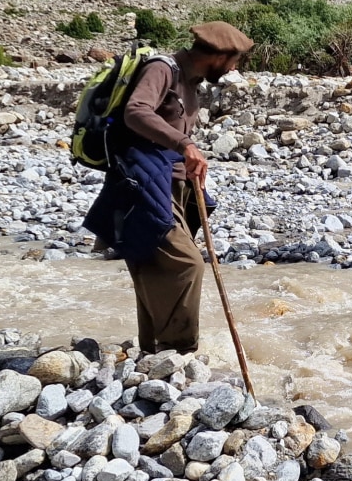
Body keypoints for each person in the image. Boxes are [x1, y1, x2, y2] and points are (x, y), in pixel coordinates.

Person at [86, 20, 253, 355]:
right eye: (234, 60)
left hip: (173, 184)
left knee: (153, 263)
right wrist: (184, 145)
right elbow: (136, 113)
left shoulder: (191, 82)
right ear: (218, 56)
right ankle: (180, 352)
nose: (235, 68)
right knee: (186, 264)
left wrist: (188, 164)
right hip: (141, 183)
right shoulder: (163, 69)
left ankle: (153, 353)